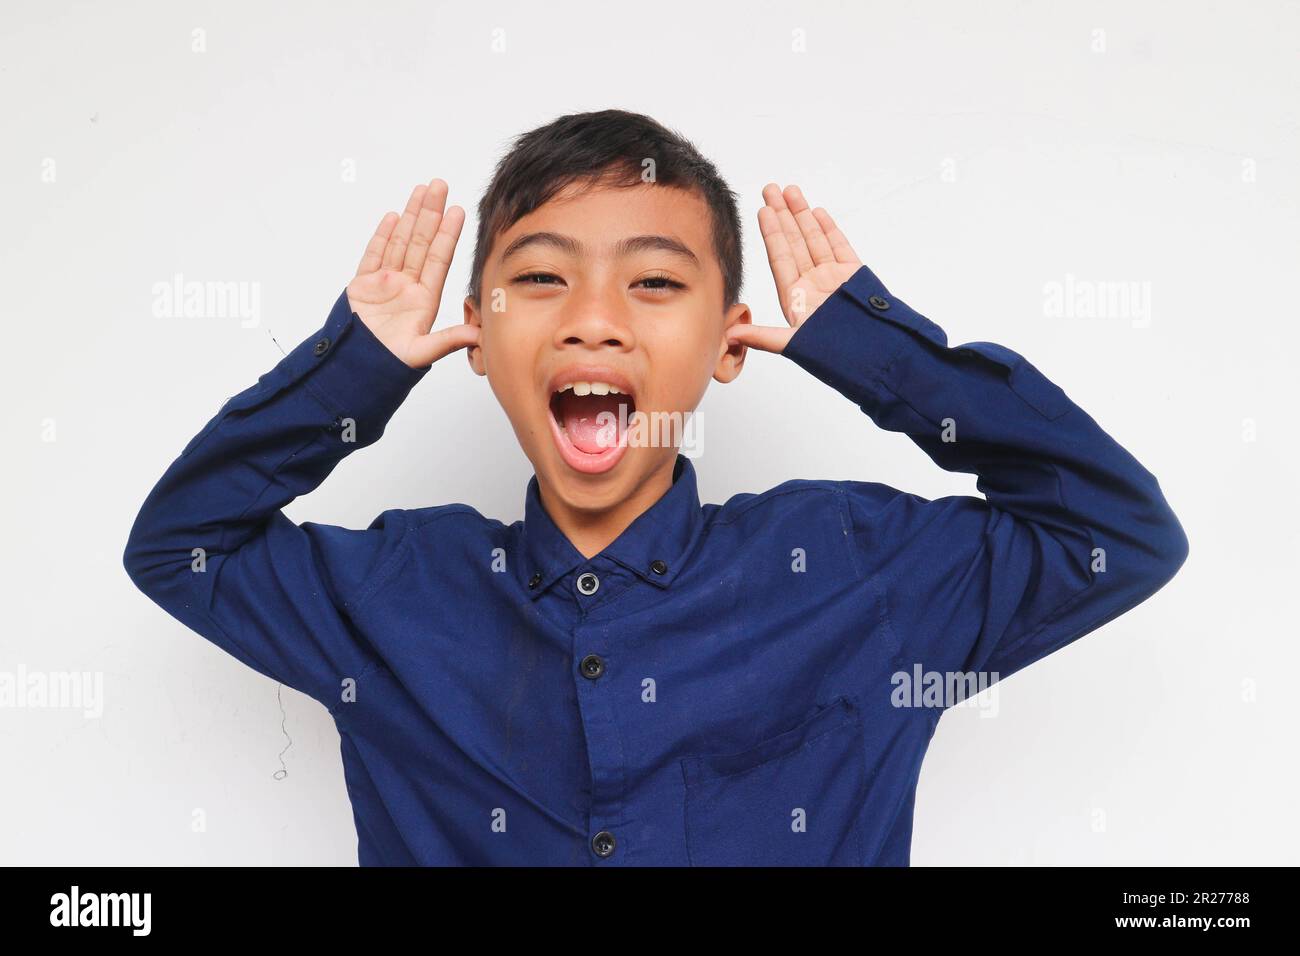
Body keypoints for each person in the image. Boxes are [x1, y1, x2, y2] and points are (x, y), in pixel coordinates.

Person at [123, 108, 1188, 866]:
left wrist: (875, 353)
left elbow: (1118, 533)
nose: (594, 317)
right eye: (539, 278)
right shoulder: (392, 592)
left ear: (731, 341)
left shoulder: (860, 571)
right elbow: (181, 547)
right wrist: (353, 369)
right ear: (479, 342)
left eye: (656, 283)